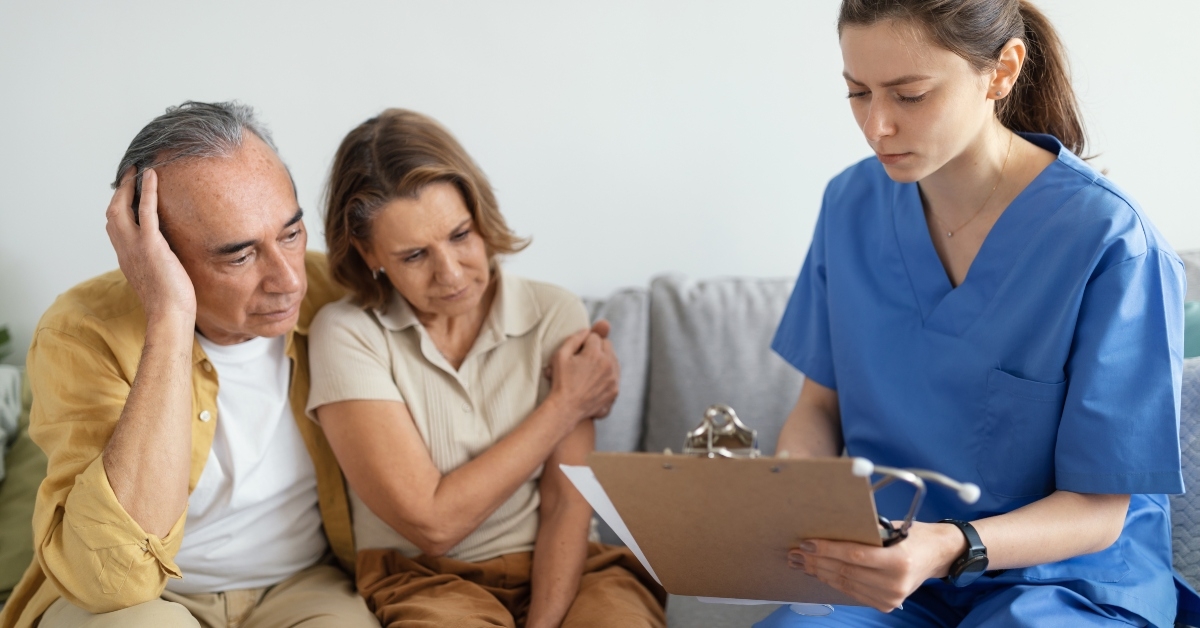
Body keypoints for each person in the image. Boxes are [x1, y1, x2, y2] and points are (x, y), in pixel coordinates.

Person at [755, 1, 1198, 626]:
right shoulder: (849, 205)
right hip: (890, 576)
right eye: (858, 93)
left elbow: (1098, 512)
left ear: (1002, 71)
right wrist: (797, 504)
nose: (876, 125)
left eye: (909, 96)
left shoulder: (1111, 244)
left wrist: (946, 546)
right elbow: (817, 409)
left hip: (1062, 582)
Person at [0, 101, 378, 628]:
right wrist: (169, 316)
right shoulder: (80, 332)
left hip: (303, 586)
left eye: (290, 234)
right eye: (240, 256)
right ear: (154, 250)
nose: (288, 280)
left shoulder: (340, 293)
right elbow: (112, 582)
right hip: (146, 601)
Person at [307, 108, 667, 628]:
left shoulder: (554, 313)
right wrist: (565, 405)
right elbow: (434, 524)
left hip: (569, 568)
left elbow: (566, 505)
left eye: (460, 235)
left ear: (481, 214)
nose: (451, 274)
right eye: (413, 255)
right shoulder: (347, 334)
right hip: (426, 577)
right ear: (368, 253)